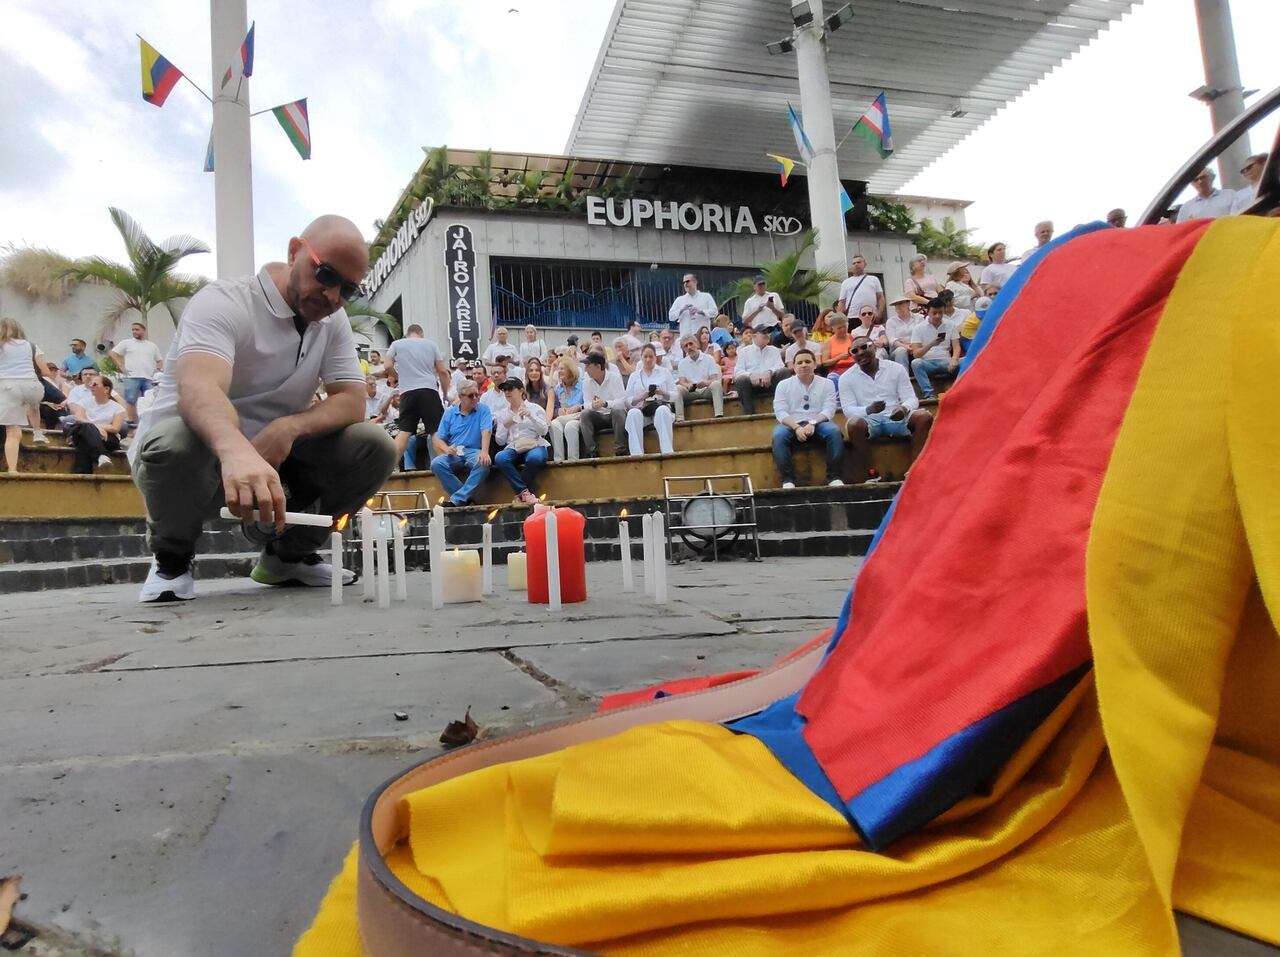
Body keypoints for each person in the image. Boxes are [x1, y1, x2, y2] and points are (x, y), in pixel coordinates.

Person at [129, 214, 398, 602]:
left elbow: (352, 401)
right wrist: (236, 450)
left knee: (374, 444)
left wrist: (288, 428)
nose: (334, 297)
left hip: (276, 458)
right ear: (294, 252)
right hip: (200, 457)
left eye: (349, 289)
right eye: (325, 275)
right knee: (173, 442)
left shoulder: (332, 320)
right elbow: (200, 389)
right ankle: (172, 557)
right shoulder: (224, 301)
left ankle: (287, 557)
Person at [839, 335, 932, 483]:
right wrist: (868, 410)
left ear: (875, 347)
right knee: (854, 424)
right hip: (869, 421)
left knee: (923, 416)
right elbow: (848, 410)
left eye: (865, 347)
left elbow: (911, 398)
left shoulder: (896, 368)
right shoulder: (845, 378)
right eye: (854, 351)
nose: (860, 352)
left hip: (897, 417)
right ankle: (872, 473)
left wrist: (903, 408)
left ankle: (915, 470)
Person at [771, 348, 843, 490]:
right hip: (792, 423)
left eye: (808, 361)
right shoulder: (783, 385)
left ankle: (834, 477)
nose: (804, 365)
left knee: (834, 432)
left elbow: (829, 409)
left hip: (819, 422)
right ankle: (787, 479)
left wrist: (813, 422)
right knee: (778, 436)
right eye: (800, 362)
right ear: (794, 366)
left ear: (815, 365)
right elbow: (780, 411)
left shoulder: (827, 383)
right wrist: (796, 427)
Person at [383, 324, 450, 472]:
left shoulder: (396, 344)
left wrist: (399, 377)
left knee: (405, 431)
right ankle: (444, 466)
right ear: (421, 333)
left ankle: (388, 468)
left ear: (407, 334)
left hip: (407, 392)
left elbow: (387, 366)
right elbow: (443, 372)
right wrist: (445, 393)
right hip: (429, 390)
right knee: (435, 431)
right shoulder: (430, 344)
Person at [430, 380, 492, 507]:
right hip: (455, 451)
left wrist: (485, 452)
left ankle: (457, 499)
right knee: (437, 464)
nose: (475, 398)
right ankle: (466, 499)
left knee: (483, 463)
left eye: (477, 395)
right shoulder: (450, 413)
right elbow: (439, 438)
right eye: (470, 396)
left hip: (474, 450)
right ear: (460, 397)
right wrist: (446, 449)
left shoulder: (483, 410)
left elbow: (486, 431)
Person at [0, 317, 48, 472]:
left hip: (9, 387)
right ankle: (37, 432)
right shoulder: (31, 346)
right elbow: (45, 370)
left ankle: (12, 469)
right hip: (32, 386)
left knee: (12, 431)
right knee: (33, 404)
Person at [493, 378, 549, 505]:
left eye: (510, 388)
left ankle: (521, 494)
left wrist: (530, 415)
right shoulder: (502, 413)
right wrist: (506, 424)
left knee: (535, 458)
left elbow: (543, 431)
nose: (507, 392)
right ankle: (525, 493)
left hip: (534, 443)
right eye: (504, 389)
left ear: (521, 390)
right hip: (514, 446)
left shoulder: (535, 408)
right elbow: (500, 441)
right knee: (500, 458)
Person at [66, 373, 126, 473]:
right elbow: (79, 418)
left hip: (107, 437)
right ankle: (101, 455)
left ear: (106, 389)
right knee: (86, 428)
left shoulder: (117, 407)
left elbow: (116, 428)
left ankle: (81, 474)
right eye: (91, 384)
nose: (91, 386)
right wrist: (96, 428)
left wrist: (95, 428)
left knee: (84, 442)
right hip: (87, 432)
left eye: (95, 384)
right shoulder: (84, 402)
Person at [623, 344, 676, 456]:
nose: (648, 360)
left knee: (662, 411)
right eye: (645, 356)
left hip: (660, 406)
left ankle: (667, 452)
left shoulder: (664, 372)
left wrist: (661, 392)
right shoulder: (634, 376)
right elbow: (627, 400)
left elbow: (675, 395)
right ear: (641, 357)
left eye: (651, 356)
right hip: (642, 408)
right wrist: (641, 397)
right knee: (633, 413)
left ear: (655, 357)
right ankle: (637, 454)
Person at [110, 322, 163, 423]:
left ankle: (149, 421)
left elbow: (159, 360)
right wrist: (120, 365)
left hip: (148, 377)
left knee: (150, 399)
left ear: (143, 330)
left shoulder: (152, 346)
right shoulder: (126, 343)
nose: (134, 331)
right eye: (133, 329)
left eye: (137, 329)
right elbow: (113, 353)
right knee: (130, 400)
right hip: (131, 376)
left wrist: (158, 370)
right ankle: (133, 421)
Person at [577, 352, 628, 458]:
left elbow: (622, 401)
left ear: (598, 366)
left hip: (613, 415)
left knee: (618, 411)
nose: (585, 369)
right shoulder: (586, 382)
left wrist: (605, 403)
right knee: (585, 414)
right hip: (597, 416)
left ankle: (621, 450)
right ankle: (591, 452)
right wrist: (592, 405)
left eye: (588, 366)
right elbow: (586, 404)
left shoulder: (615, 378)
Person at [910, 297, 961, 399]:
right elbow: (916, 354)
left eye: (940, 313)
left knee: (967, 360)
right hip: (928, 362)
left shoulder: (950, 325)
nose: (937, 316)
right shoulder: (918, 328)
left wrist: (954, 359)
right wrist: (931, 344)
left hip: (946, 361)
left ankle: (959, 389)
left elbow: (956, 346)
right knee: (915, 363)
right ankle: (929, 394)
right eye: (934, 313)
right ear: (928, 312)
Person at [733, 325, 789, 415]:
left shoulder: (774, 350)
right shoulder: (744, 351)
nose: (767, 335)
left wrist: (769, 372)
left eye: (768, 333)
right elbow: (738, 371)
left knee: (784, 372)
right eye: (764, 333)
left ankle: (783, 409)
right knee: (741, 380)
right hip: (751, 386)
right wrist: (751, 375)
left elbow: (780, 365)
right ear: (754, 336)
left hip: (770, 383)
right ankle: (750, 414)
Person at [673, 334, 724, 421]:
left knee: (716, 384)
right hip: (691, 392)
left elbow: (713, 378)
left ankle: (719, 415)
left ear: (696, 344)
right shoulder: (682, 363)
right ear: (684, 349)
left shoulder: (709, 359)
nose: (689, 347)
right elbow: (682, 381)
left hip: (706, 389)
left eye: (690, 344)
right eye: (686, 346)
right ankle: (680, 418)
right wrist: (688, 385)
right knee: (677, 388)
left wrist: (705, 383)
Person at [548, 352, 584, 460]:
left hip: (580, 417)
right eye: (558, 369)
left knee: (570, 426)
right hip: (564, 417)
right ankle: (558, 459)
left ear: (570, 369)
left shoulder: (583, 385)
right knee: (554, 424)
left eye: (562, 368)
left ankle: (573, 460)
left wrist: (578, 406)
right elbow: (552, 409)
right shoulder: (558, 388)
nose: (559, 371)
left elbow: (589, 404)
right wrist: (558, 411)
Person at [668, 273, 717, 341]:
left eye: (687, 281)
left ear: (695, 282)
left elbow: (715, 312)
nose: (685, 284)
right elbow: (671, 317)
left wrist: (700, 311)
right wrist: (682, 310)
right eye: (684, 282)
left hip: (702, 338)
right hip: (686, 338)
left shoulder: (706, 297)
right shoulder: (679, 300)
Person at [816, 312, 856, 390]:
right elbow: (825, 363)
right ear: (833, 328)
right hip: (836, 371)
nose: (843, 330)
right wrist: (839, 358)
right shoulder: (829, 342)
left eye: (844, 327)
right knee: (833, 381)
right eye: (839, 328)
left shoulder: (852, 338)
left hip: (853, 368)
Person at [837, 254, 884, 319]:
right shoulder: (846, 282)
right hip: (852, 316)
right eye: (854, 263)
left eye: (859, 262)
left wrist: (879, 312)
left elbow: (880, 297)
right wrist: (840, 318)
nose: (856, 264)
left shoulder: (874, 279)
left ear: (865, 264)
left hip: (870, 315)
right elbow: (842, 302)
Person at [885, 295, 917, 375]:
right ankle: (904, 377)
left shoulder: (919, 318)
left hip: (917, 346)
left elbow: (922, 334)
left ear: (908, 304)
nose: (899, 306)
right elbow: (892, 340)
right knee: (901, 351)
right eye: (896, 305)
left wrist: (914, 345)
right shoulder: (891, 322)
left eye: (902, 303)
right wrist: (905, 346)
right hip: (897, 350)